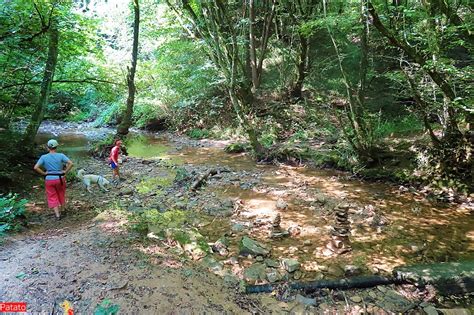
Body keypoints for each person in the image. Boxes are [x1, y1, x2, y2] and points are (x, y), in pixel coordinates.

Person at [33, 139, 73, 219]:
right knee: (61, 193)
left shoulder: (43, 157)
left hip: (49, 179)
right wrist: (65, 171)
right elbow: (71, 163)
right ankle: (63, 209)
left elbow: (35, 167)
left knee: (52, 196)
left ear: (48, 147)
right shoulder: (61, 155)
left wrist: (44, 173)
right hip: (60, 178)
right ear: (56, 147)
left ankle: (57, 215)